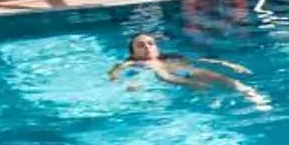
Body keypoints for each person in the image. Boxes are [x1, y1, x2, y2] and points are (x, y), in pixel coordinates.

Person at [108, 33, 266, 107]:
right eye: (140, 45)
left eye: (150, 43)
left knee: (216, 76)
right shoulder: (131, 63)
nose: (147, 47)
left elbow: (200, 60)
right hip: (161, 75)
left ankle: (251, 95)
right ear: (133, 52)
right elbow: (113, 73)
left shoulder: (170, 57)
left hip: (180, 70)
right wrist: (123, 82)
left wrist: (230, 64)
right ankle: (206, 97)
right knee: (162, 73)